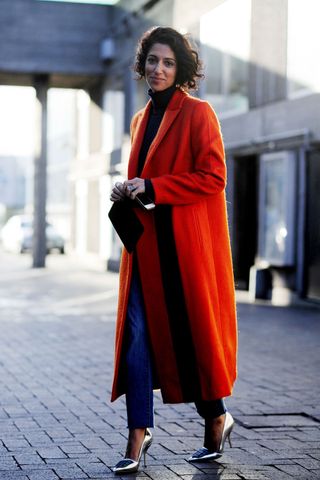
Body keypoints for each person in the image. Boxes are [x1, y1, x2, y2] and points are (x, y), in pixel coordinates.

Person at [109, 26, 237, 475]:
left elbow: (213, 177)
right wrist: (129, 190)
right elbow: (145, 178)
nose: (158, 69)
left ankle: (216, 419)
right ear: (142, 65)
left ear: (180, 69)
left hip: (184, 253)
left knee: (192, 341)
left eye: (168, 62)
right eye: (152, 61)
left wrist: (155, 187)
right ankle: (138, 434)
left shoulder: (200, 114)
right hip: (145, 250)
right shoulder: (140, 120)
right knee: (138, 338)